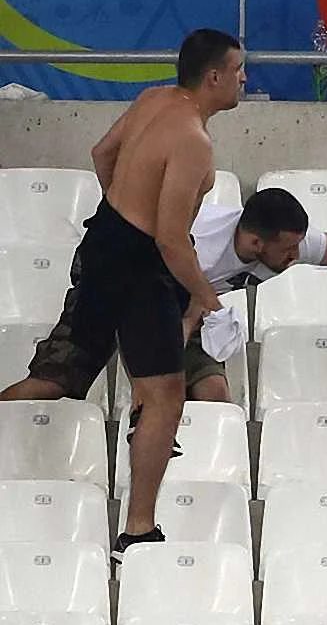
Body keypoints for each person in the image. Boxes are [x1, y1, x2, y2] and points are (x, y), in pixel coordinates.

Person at [0, 29, 244, 560]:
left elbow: (101, 151)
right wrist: (207, 297)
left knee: (56, 378)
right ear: (214, 76)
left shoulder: (152, 99)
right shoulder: (193, 140)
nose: (245, 79)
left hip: (102, 243)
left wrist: (121, 209)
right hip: (139, 269)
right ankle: (138, 530)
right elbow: (171, 239)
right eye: (239, 69)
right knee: (164, 397)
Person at [2, 187, 327, 408]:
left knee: (213, 394)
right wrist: (180, 336)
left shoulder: (280, 240)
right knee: (55, 385)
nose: (298, 257)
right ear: (256, 244)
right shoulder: (196, 240)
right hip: (115, 278)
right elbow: (164, 315)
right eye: (289, 249)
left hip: (175, 303)